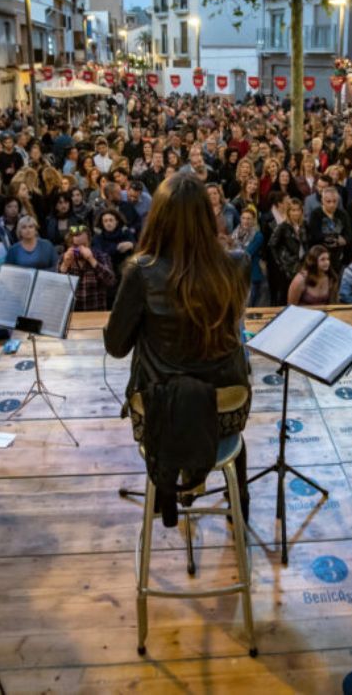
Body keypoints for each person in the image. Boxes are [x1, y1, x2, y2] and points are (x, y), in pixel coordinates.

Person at [103, 172, 252, 515]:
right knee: (228, 429)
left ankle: (165, 491)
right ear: (207, 215)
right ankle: (240, 503)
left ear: (158, 216)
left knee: (171, 406)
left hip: (160, 410)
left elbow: (117, 347)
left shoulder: (141, 271)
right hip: (227, 408)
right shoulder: (238, 263)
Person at [59, 225, 115, 312]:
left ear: (89, 242)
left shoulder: (101, 256)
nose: (81, 249)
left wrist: (92, 260)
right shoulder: (65, 258)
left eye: (84, 245)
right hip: (73, 313)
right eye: (76, 246)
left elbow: (111, 281)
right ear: (70, 245)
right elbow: (57, 288)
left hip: (95, 312)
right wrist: (65, 265)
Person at [269, 198, 307, 304]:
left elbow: (306, 245)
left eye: (298, 210)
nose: (295, 213)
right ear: (288, 212)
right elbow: (272, 245)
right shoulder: (282, 227)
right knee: (284, 295)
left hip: (302, 264)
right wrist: (280, 262)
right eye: (293, 210)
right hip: (287, 267)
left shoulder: (304, 226)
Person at [306, 186, 351, 273]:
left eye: (335, 201)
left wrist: (342, 240)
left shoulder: (343, 214)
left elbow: (348, 235)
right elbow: (315, 235)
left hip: (338, 258)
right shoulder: (316, 214)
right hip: (320, 258)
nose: (332, 204)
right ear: (322, 200)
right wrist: (336, 238)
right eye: (328, 201)